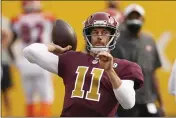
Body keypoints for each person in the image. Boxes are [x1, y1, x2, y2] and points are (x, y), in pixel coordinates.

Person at [23, 12, 144, 117]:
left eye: (104, 32)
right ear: (88, 36)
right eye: (95, 32)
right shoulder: (72, 59)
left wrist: (110, 71)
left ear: (112, 36)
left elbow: (128, 103)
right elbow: (29, 52)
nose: (100, 36)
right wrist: (53, 47)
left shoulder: (124, 66)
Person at [111, 4, 165, 117]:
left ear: (143, 19)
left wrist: (161, 103)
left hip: (148, 100)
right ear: (125, 19)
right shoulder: (116, 41)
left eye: (137, 17)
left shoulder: (149, 40)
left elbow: (153, 74)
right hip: (126, 102)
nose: (135, 20)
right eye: (131, 17)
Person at [9, 1, 55, 116]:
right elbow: (57, 40)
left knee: (29, 97)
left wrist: (15, 61)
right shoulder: (48, 18)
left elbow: (10, 44)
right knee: (46, 96)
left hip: (25, 61)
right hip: (43, 60)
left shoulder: (17, 20)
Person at [1, 15, 13, 116]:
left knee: (5, 89)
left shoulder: (4, 20)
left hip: (3, 60)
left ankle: (8, 114)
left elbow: (8, 36)